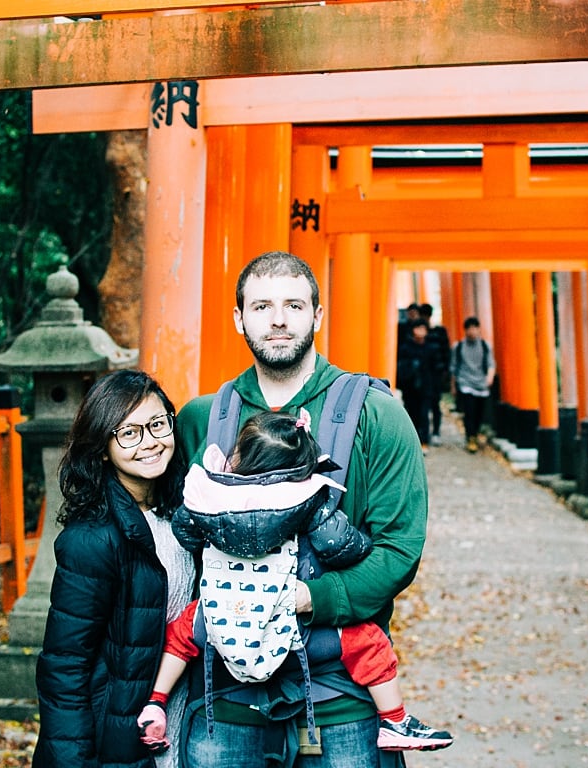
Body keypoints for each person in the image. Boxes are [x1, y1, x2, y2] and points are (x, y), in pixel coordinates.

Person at [175, 250, 431, 768]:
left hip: (341, 687)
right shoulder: (202, 418)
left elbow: (399, 549)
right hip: (225, 688)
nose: (277, 319)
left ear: (317, 315)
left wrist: (308, 598)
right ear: (239, 319)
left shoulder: (377, 415)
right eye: (262, 305)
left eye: (294, 305)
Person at [136, 410, 452, 755]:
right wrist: (361, 545)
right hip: (291, 626)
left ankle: (156, 701)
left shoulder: (209, 496)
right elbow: (340, 545)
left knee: (181, 634)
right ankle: (395, 720)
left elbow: (185, 530)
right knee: (368, 641)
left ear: (237, 458)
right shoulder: (307, 499)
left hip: (220, 617)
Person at [32, 370, 196, 768]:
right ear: (103, 448)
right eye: (129, 433)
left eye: (158, 424)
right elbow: (65, 666)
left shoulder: (187, 514)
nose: (150, 442)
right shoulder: (91, 540)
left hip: (182, 713)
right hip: (117, 734)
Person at [451, 316, 497, 453]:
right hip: (465, 384)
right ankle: (470, 437)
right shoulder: (458, 347)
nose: (472, 331)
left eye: (474, 328)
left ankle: (474, 434)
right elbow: (454, 368)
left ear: (478, 329)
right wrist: (453, 386)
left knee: (479, 414)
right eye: (469, 328)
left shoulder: (485, 346)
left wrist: (489, 377)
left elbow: (491, 364)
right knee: (469, 413)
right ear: (465, 330)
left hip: (481, 384)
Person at [395, 319, 442, 450]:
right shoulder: (406, 348)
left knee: (424, 414)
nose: (420, 332)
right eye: (417, 328)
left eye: (423, 329)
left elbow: (436, 369)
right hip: (409, 387)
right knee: (412, 414)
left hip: (426, 387)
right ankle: (413, 440)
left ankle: (424, 441)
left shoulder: (432, 348)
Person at [417, 304, 451, 445]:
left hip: (433, 375)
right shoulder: (436, 333)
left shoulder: (436, 334)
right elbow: (446, 354)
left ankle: (433, 432)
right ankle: (433, 432)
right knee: (431, 406)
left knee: (432, 405)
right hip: (431, 376)